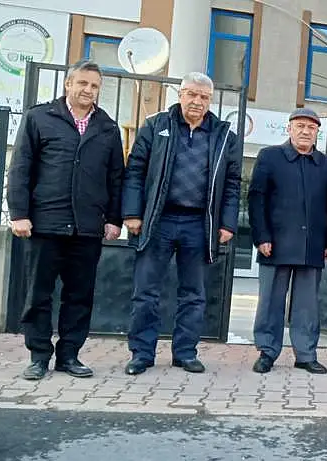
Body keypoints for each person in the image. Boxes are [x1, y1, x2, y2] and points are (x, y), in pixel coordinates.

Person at [7, 60, 125, 380]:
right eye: (82, 83)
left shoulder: (108, 127)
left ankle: (69, 356)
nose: (88, 90)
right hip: (45, 223)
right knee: (38, 294)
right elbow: (20, 169)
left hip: (88, 227)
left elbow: (116, 178)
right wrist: (19, 213)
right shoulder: (39, 118)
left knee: (79, 296)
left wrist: (114, 219)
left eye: (94, 86)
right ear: (68, 84)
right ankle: (38, 356)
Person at [122, 72, 242, 375]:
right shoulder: (156, 126)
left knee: (194, 295)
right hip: (157, 220)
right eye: (192, 94)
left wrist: (227, 224)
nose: (197, 101)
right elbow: (135, 170)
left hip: (199, 224)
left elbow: (232, 183)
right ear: (180, 94)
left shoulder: (224, 135)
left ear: (210, 100)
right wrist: (132, 213)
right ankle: (141, 354)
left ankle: (185, 353)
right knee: (146, 292)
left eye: (204, 97)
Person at [249, 108, 327, 375]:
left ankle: (306, 354)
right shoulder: (269, 157)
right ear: (289, 129)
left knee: (307, 306)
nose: (305, 131)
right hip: (275, 244)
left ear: (317, 132)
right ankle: (267, 351)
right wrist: (261, 236)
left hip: (313, 245)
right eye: (300, 126)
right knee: (270, 302)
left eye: (311, 128)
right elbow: (256, 198)